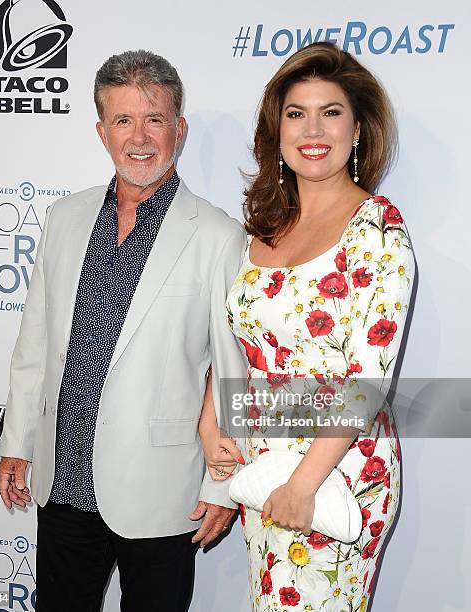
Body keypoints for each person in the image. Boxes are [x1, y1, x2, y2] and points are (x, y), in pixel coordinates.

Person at [0, 49, 247, 612]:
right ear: (101, 130)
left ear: (178, 129)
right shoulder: (64, 218)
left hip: (163, 491)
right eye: (123, 120)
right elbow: (33, 343)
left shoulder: (217, 236)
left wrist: (223, 482)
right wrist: (17, 442)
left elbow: (234, 371)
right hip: (62, 483)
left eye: (154, 119)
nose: (140, 137)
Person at [199, 41, 415, 611]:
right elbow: (234, 346)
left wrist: (303, 485)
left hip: (336, 476)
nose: (312, 129)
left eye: (331, 112)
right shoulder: (264, 229)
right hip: (261, 470)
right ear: (278, 133)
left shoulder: (378, 230)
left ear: (359, 128)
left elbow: (367, 380)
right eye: (296, 114)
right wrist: (211, 422)